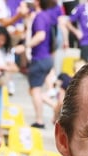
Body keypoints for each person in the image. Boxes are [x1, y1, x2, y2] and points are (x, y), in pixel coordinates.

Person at [24, 0, 62, 129]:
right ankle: (54, 105)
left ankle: (39, 120)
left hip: (39, 58)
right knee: (32, 90)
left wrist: (26, 46)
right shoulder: (47, 16)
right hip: (47, 57)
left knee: (35, 90)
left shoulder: (40, 16)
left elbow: (40, 35)